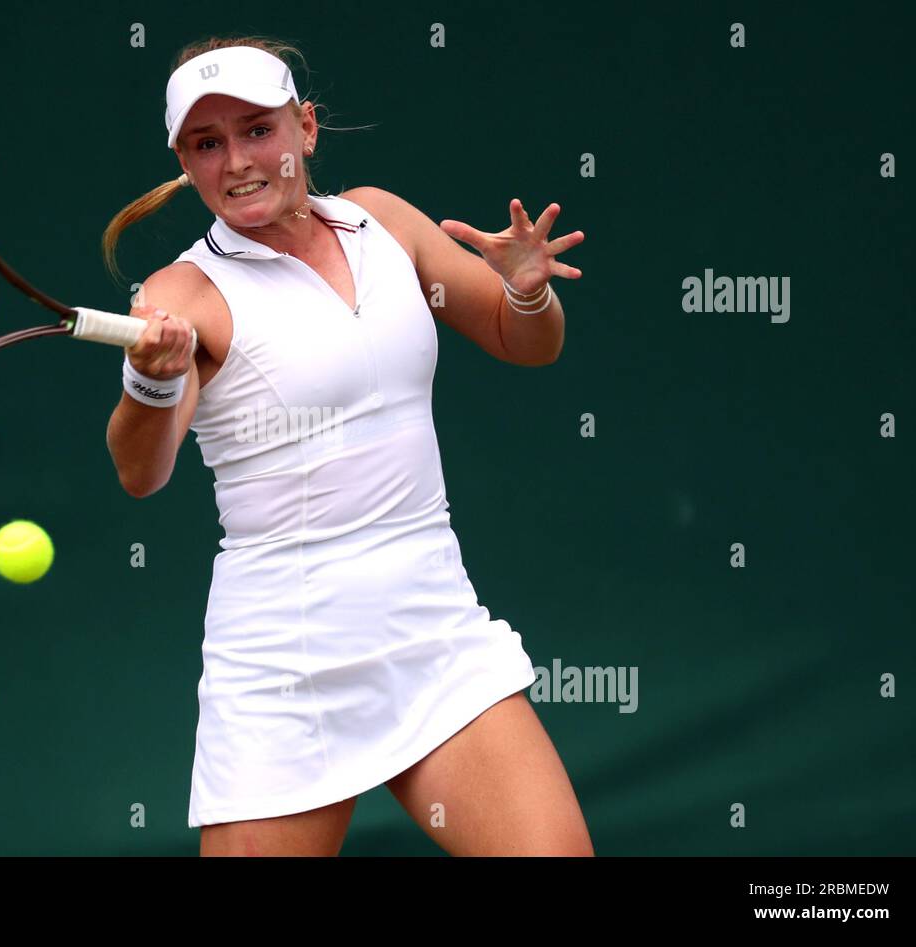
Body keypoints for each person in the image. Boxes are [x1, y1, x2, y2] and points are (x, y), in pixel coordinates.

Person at [103, 37, 593, 857]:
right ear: (185, 161)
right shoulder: (182, 295)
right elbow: (139, 472)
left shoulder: (384, 222)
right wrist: (152, 380)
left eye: (257, 130)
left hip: (433, 631)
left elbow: (524, 340)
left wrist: (527, 289)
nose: (236, 161)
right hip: (282, 668)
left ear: (306, 128)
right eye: (206, 143)